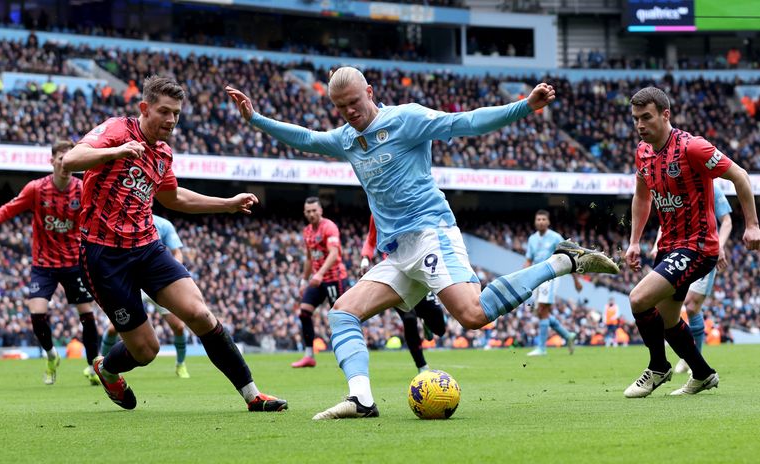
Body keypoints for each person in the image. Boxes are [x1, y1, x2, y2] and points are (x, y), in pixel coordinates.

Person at [226, 67, 619, 419]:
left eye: (354, 102)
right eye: (340, 106)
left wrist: (524, 106)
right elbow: (307, 138)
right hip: (397, 252)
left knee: (473, 315)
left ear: (370, 90)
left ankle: (563, 260)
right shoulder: (346, 139)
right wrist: (257, 119)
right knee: (342, 313)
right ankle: (361, 400)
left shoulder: (406, 119)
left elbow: (467, 122)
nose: (349, 112)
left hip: (431, 233)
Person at [63, 75, 286, 412]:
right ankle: (107, 369)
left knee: (199, 313)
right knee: (146, 350)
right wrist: (118, 151)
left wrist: (226, 203)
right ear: (145, 108)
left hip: (147, 248)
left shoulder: (163, 153)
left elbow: (173, 197)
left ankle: (252, 395)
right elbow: (71, 161)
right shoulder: (117, 130)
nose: (170, 120)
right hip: (104, 255)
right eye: (164, 111)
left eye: (176, 114)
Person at [624, 86, 759, 398]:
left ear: (665, 114)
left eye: (646, 117)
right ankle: (703, 374)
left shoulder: (692, 148)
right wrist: (634, 242)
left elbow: (740, 175)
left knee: (638, 299)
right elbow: (642, 198)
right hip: (669, 245)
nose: (640, 125)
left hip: (698, 245)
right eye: (635, 119)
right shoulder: (643, 153)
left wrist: (751, 225)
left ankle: (658, 366)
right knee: (669, 320)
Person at [0, 140, 101, 386]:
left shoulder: (83, 189)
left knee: (87, 314)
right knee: (37, 313)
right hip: (44, 264)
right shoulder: (36, 189)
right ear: (52, 161)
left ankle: (94, 366)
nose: (66, 164)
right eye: (61, 159)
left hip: (74, 262)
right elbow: (8, 209)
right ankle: (52, 356)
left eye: (71, 159)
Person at [648, 183, 732, 375]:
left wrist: (720, 246)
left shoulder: (711, 186)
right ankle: (687, 357)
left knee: (692, 305)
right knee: (670, 307)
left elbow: (726, 221)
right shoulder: (676, 186)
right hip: (678, 251)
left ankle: (695, 361)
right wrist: (657, 246)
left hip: (703, 250)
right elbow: (667, 221)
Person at [101, 214, 192, 379]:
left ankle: (181, 364)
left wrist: (171, 272)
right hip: (133, 283)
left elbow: (177, 252)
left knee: (178, 326)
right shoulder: (122, 221)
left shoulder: (164, 224)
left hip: (157, 282)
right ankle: (100, 362)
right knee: (113, 328)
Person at [360, 215, 447, 373]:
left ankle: (427, 323)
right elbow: (371, 238)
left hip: (418, 267)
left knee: (439, 328)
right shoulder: (377, 211)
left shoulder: (409, 204)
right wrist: (365, 258)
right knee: (409, 319)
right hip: (396, 271)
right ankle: (422, 366)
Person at [291, 197, 350, 368]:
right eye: (308, 211)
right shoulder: (307, 231)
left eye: (314, 210)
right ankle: (309, 355)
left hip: (334, 278)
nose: (311, 214)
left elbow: (334, 254)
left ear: (320, 211)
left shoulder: (329, 227)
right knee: (304, 312)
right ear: (304, 213)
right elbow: (309, 258)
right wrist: (304, 280)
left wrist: (320, 274)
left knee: (340, 316)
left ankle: (348, 353)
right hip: (318, 280)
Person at [524, 210, 581, 356]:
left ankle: (542, 348)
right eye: (538, 219)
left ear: (548, 222)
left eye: (544, 219)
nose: (541, 221)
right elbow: (529, 260)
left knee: (543, 309)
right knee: (541, 312)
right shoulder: (532, 239)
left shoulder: (556, 237)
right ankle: (568, 336)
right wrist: (522, 278)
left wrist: (576, 281)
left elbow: (568, 257)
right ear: (535, 222)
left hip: (550, 276)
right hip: (536, 277)